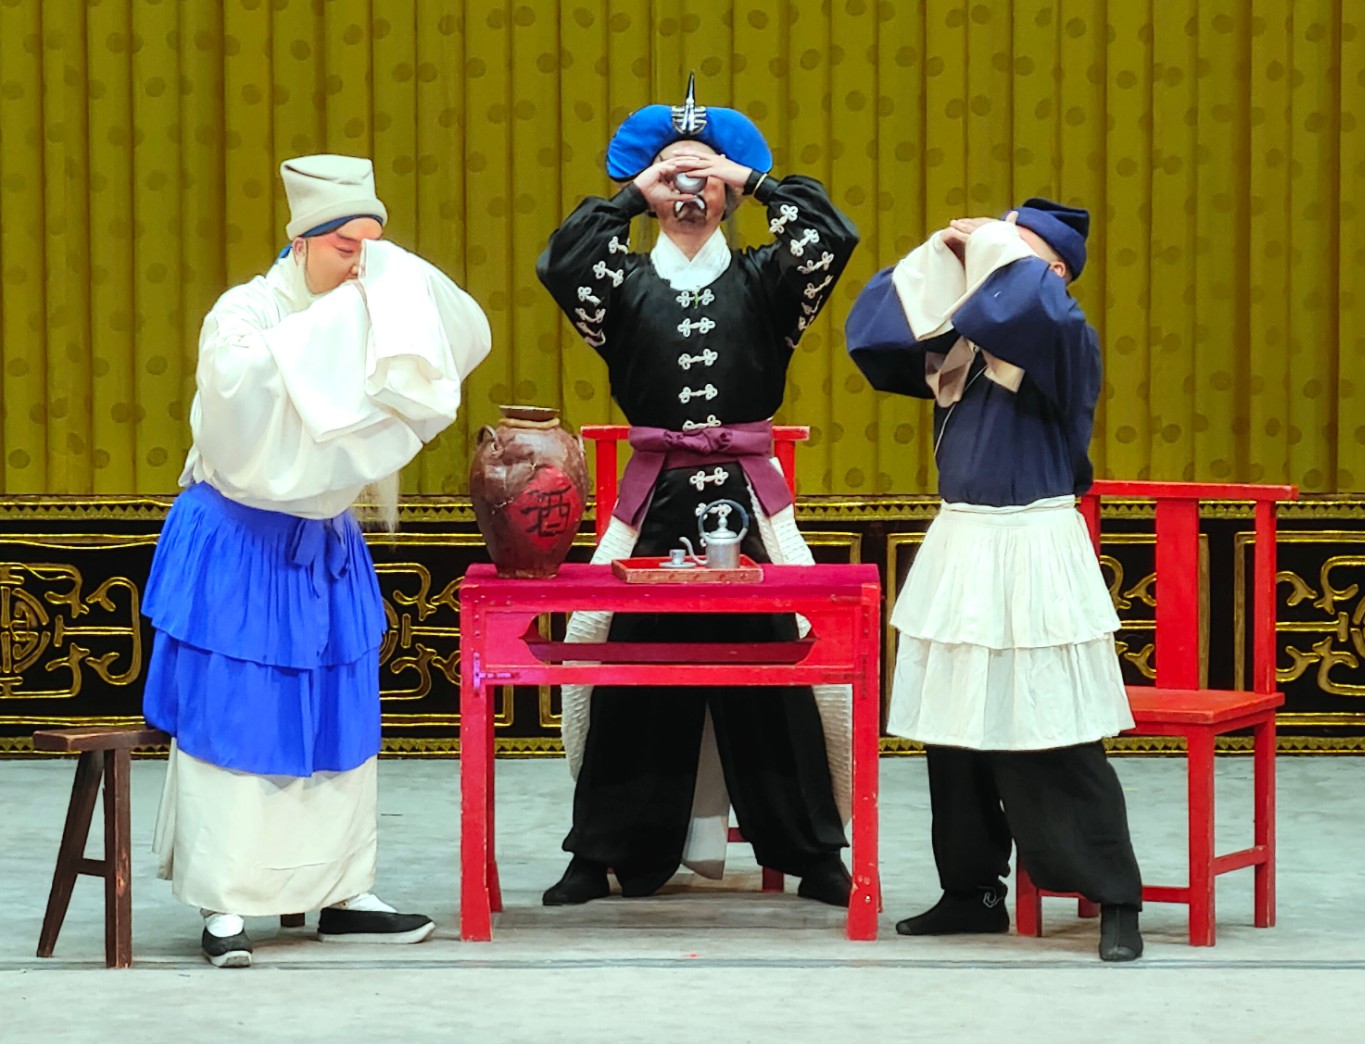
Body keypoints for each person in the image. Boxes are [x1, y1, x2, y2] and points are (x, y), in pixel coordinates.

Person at [142, 154, 492, 967]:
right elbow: (240, 402)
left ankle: (342, 889)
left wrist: (379, 300)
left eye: (373, 246)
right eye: (344, 246)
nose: (361, 263)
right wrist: (343, 328)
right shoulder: (243, 314)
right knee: (236, 716)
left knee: (339, 717)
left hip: (324, 544)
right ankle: (225, 900)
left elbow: (450, 329)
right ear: (299, 241)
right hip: (241, 543)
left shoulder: (367, 307)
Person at [535, 78, 859, 907]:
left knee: (781, 670)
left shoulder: (769, 282)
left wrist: (752, 177)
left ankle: (813, 850)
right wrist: (629, 198)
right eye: (672, 172)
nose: (688, 185)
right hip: (653, 505)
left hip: (750, 504)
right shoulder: (618, 284)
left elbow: (831, 235)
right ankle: (601, 852)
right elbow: (560, 259)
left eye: (706, 173)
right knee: (623, 673)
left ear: (729, 191)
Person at [844, 198, 1144, 961]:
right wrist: (942, 253)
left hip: (1034, 544)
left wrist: (998, 245)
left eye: (1013, 252)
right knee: (956, 729)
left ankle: (1114, 894)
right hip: (965, 540)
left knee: (1051, 728)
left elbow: (1032, 306)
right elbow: (875, 330)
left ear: (1050, 271)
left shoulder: (1066, 336)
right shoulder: (965, 348)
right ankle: (971, 889)